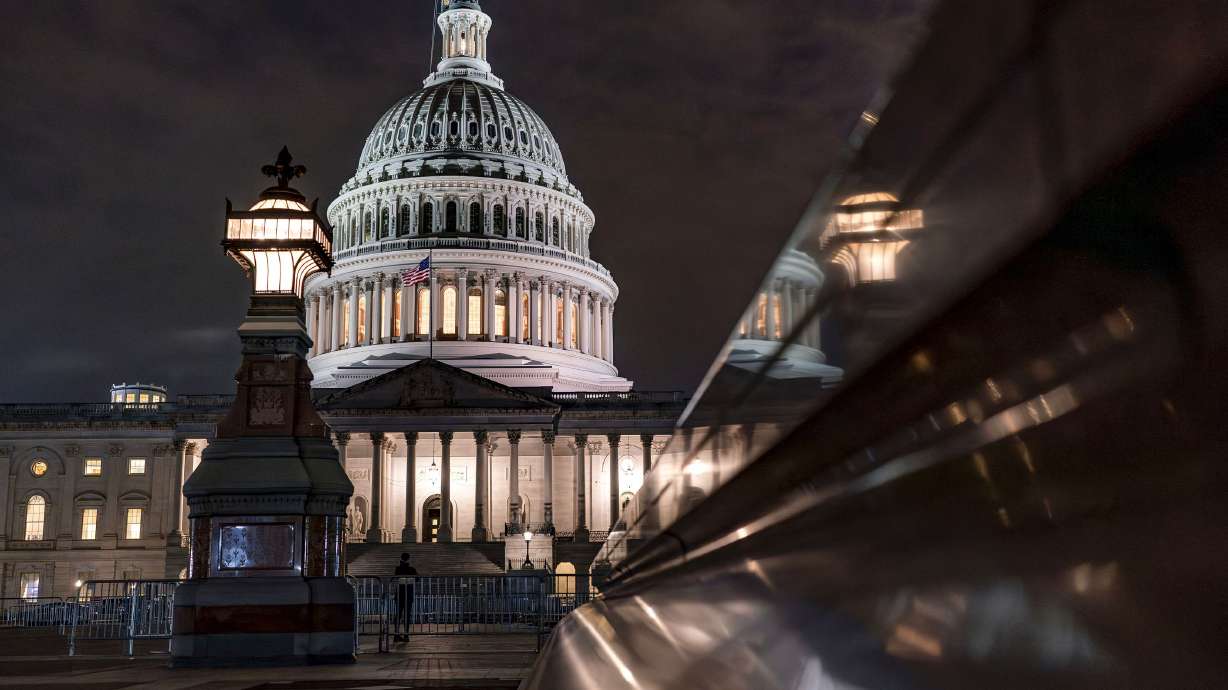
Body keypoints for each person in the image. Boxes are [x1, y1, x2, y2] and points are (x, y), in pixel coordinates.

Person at [393, 553, 418, 642]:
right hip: (408, 594)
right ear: (409, 559)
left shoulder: (398, 569)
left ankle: (396, 634)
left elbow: (394, 578)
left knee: (398, 615)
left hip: (399, 594)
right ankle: (406, 635)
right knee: (407, 615)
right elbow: (417, 579)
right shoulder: (411, 569)